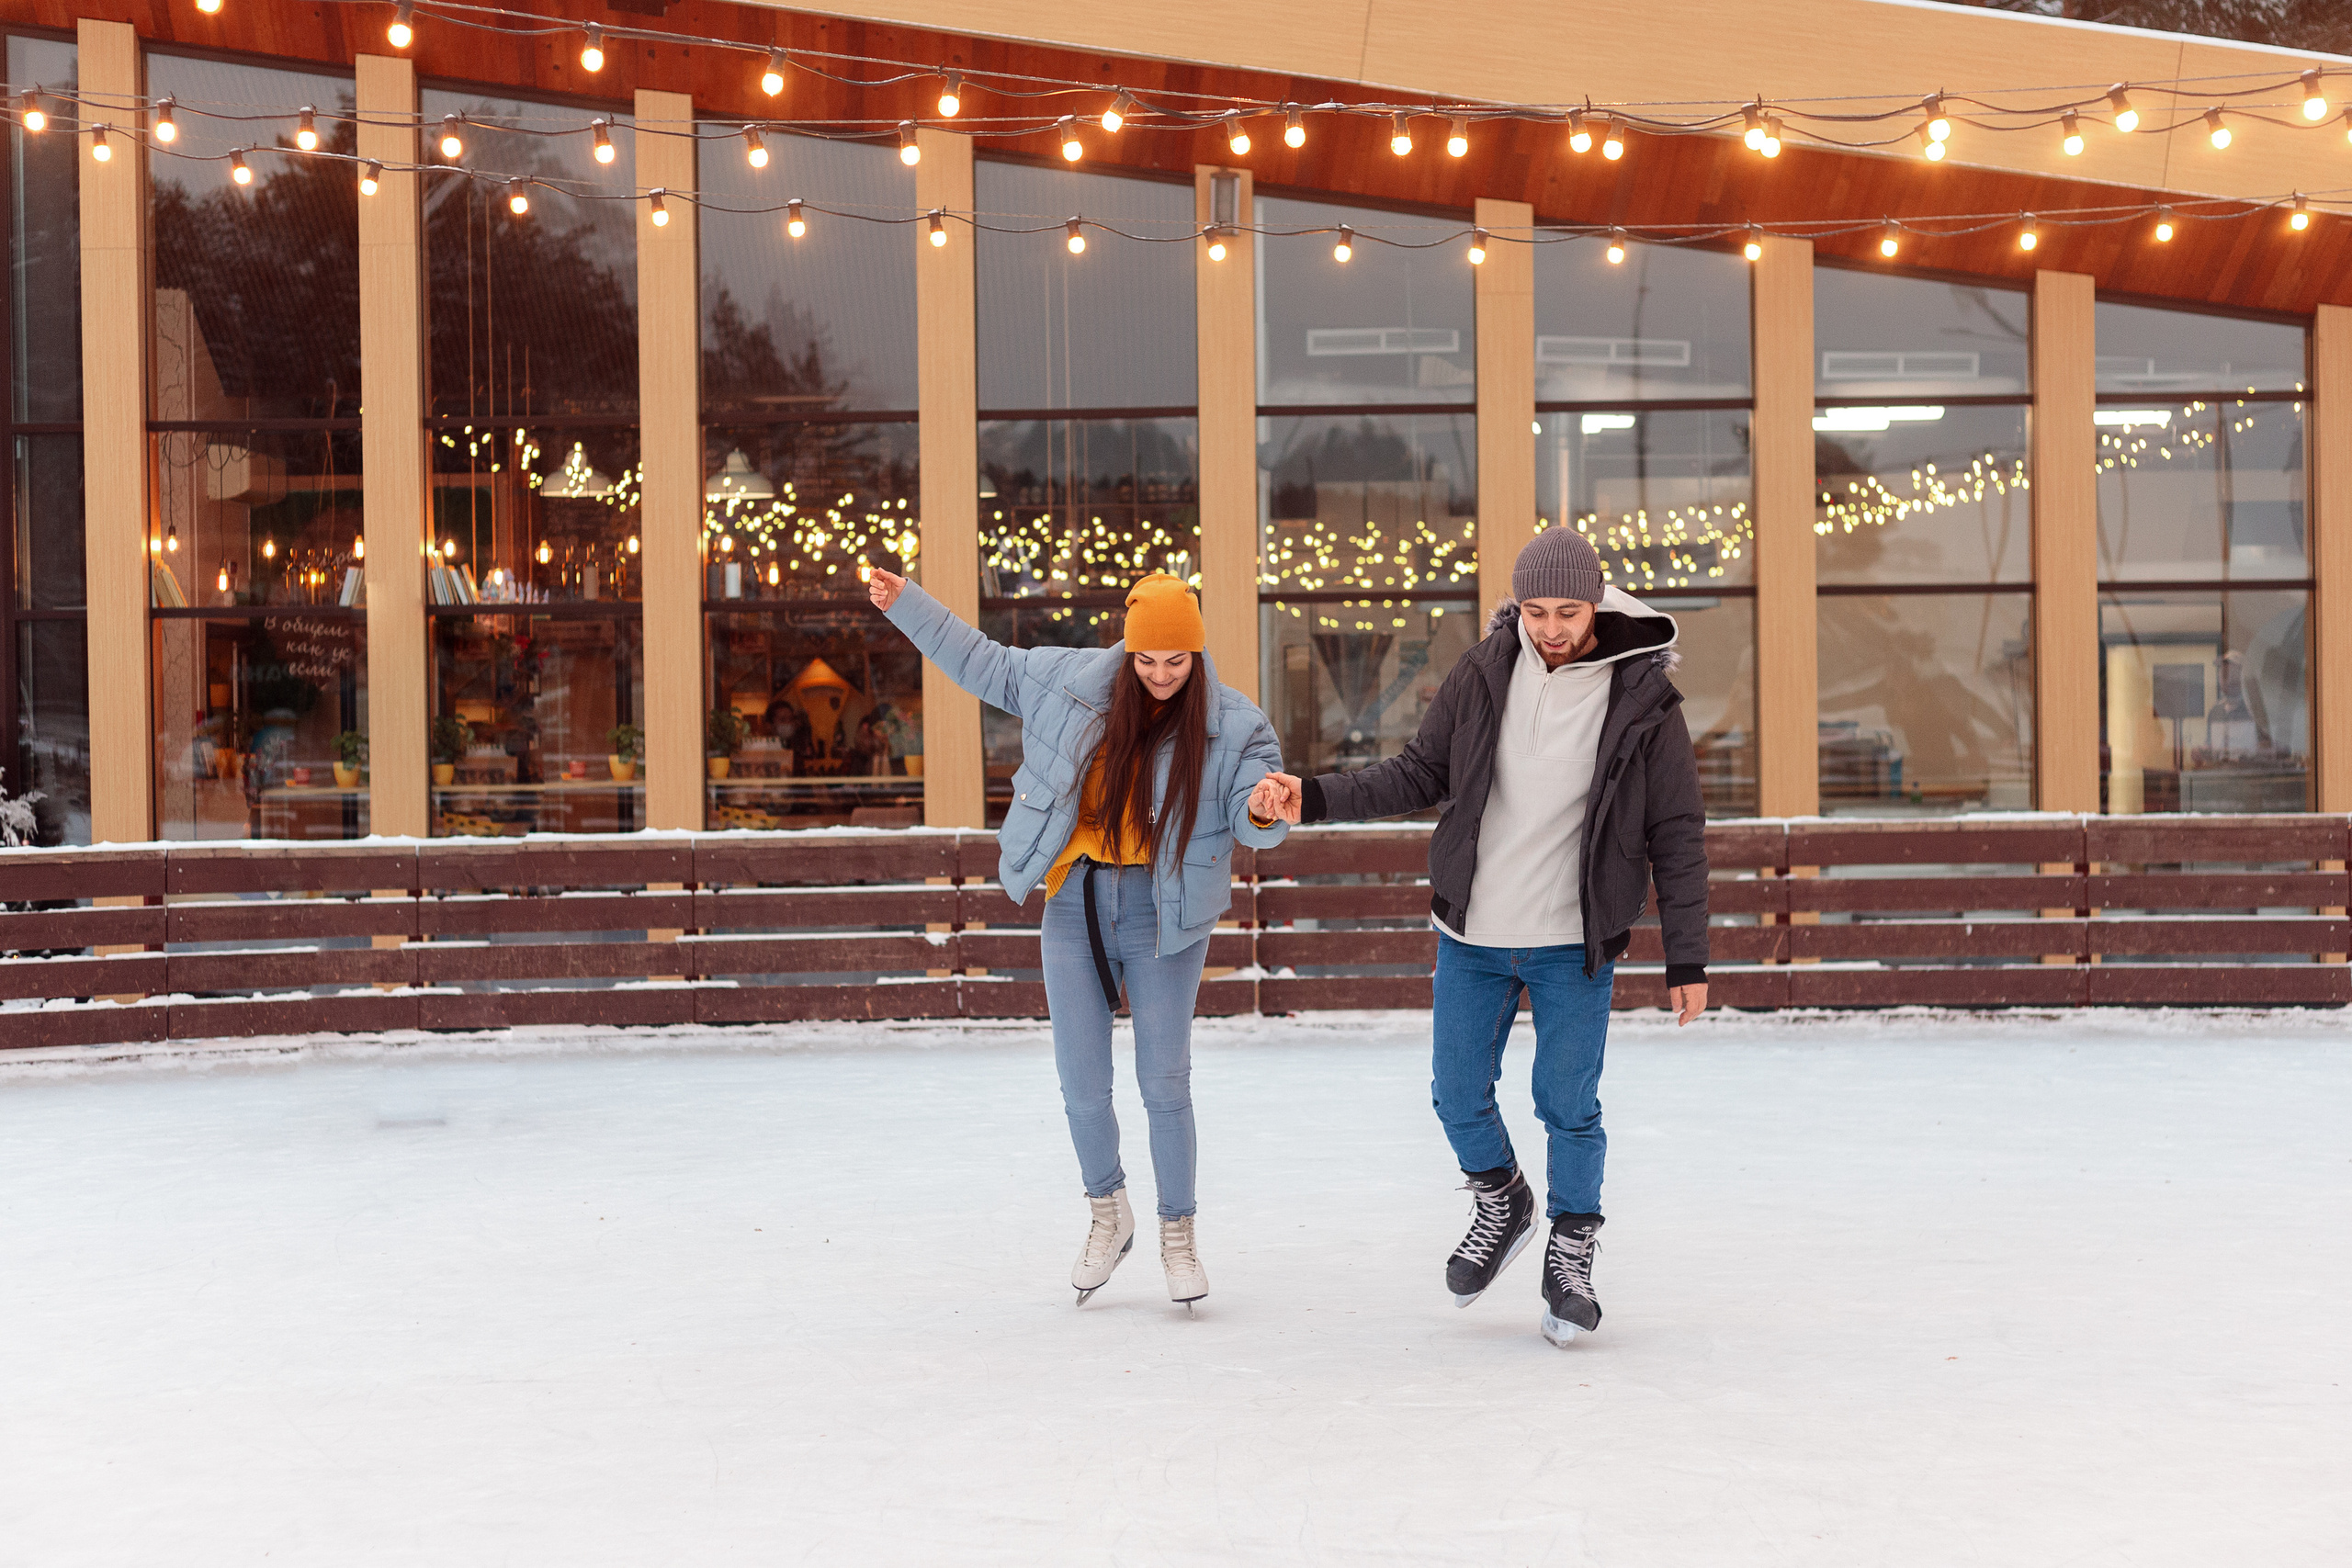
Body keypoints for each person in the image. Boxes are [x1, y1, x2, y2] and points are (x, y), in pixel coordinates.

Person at [1251, 529, 1710, 1348]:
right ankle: (1503, 1198)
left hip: (1575, 939)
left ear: (1597, 600)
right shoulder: (1484, 669)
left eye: (1567, 610)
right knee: (1456, 1092)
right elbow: (1420, 772)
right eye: (1535, 610)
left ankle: (1571, 1249)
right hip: (1473, 930)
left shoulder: (1643, 699)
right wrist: (1309, 798)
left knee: (1568, 1105)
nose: (1550, 627)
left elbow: (1677, 832)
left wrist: (1688, 957)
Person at [869, 567, 1288, 1309]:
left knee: (1165, 1082)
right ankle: (1108, 1211)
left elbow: (1256, 810)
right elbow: (980, 659)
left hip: (1167, 918)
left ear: (1196, 655)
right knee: (1081, 1085)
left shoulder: (1233, 723)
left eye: (1175, 661)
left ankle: (1177, 1230)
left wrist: (1261, 807)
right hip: (1076, 902)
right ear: (1127, 651)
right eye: (1147, 660)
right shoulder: (1067, 683)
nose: (1160, 675)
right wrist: (908, 604)